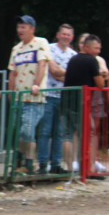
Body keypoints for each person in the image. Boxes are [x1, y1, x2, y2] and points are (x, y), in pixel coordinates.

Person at [7, 15, 51, 174]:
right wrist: (11, 94)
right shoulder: (16, 49)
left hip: (33, 97)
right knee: (20, 129)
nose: (21, 30)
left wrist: (36, 84)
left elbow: (42, 65)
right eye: (19, 27)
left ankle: (29, 161)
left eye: (24, 27)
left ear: (32, 29)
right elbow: (12, 73)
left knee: (27, 129)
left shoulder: (41, 43)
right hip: (19, 97)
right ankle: (20, 161)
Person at [62, 34, 106, 178]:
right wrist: (103, 77)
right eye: (96, 48)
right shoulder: (91, 60)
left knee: (68, 135)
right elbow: (100, 84)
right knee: (89, 133)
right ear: (86, 47)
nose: (98, 51)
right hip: (80, 103)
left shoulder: (73, 59)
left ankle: (70, 169)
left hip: (66, 101)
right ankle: (88, 169)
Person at [39, 24, 76, 174]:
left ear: (72, 37)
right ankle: (42, 163)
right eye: (63, 34)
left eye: (69, 35)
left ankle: (56, 163)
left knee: (59, 132)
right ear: (58, 35)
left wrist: (62, 73)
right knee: (45, 130)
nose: (66, 37)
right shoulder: (49, 48)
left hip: (63, 97)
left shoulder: (73, 55)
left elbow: (72, 76)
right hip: (49, 95)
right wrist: (65, 74)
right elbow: (53, 71)